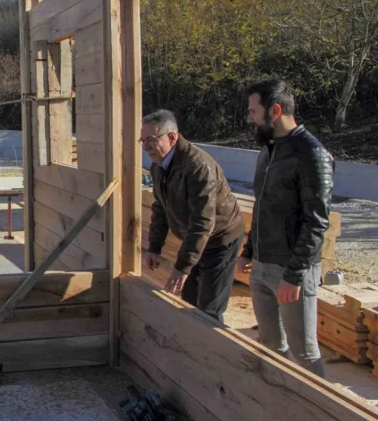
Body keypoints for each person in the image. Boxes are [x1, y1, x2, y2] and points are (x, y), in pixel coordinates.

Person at [237, 80, 333, 377]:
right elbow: (263, 206)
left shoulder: (311, 154)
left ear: (275, 110)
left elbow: (316, 222)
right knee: (270, 348)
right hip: (263, 267)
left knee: (304, 353)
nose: (250, 118)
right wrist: (249, 249)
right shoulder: (268, 151)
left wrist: (294, 276)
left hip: (292, 272)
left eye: (254, 111)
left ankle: (320, 410)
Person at [143, 109, 245, 323]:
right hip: (196, 239)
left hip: (220, 240)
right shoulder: (158, 165)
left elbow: (203, 221)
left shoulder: (198, 166)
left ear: (172, 137)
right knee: (189, 301)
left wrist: (182, 267)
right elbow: (161, 207)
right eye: (142, 140)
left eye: (151, 139)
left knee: (209, 311)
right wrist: (154, 246)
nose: (146, 146)